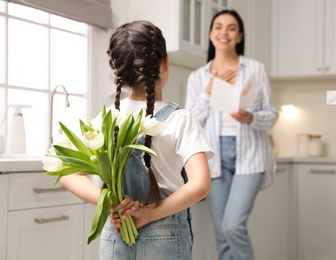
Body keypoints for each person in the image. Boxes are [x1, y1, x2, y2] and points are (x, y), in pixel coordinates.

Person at [59, 20, 213, 260]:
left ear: (118, 70)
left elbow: (67, 173)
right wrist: (150, 214)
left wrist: (109, 202)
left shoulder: (107, 118)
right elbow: (201, 184)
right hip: (164, 229)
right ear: (165, 64)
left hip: (116, 231)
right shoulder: (180, 119)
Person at [185, 9, 278, 260]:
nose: (223, 32)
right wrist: (209, 90)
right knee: (221, 233)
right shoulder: (198, 78)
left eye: (231, 28)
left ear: (240, 36)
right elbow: (190, 122)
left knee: (233, 225)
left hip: (250, 155)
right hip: (214, 157)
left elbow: (272, 115)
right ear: (210, 34)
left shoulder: (255, 70)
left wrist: (252, 117)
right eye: (218, 26)